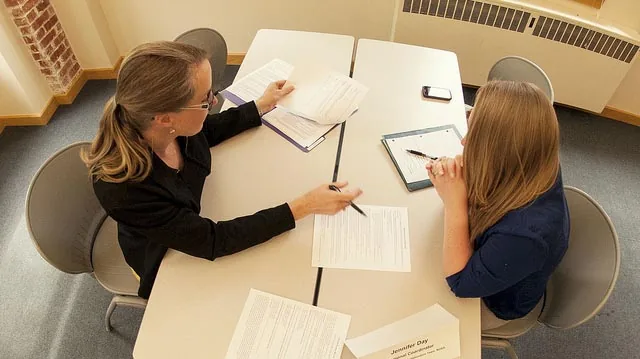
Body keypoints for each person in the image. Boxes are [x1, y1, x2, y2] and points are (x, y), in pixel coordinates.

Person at [82, 41, 362, 299]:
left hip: (197, 217)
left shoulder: (166, 127)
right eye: (206, 100)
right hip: (164, 256)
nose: (214, 102)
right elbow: (213, 241)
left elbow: (205, 130)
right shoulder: (124, 188)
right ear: (166, 118)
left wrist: (260, 106)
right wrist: (305, 206)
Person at [426, 81, 569, 331]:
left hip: (494, 303)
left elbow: (461, 284)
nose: (464, 143)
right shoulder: (535, 159)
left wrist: (454, 203)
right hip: (497, 252)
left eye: (475, 137)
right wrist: (467, 176)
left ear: (501, 153)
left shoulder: (525, 235)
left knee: (417, 305)